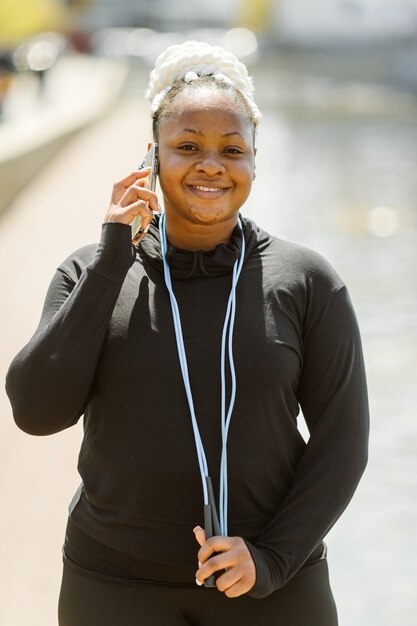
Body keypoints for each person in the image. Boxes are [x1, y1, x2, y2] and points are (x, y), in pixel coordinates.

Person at [5, 41, 369, 626]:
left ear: (254, 161)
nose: (211, 164)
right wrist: (111, 256)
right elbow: (36, 410)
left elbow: (344, 439)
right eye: (187, 147)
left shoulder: (307, 281)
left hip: (271, 586)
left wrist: (272, 558)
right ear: (152, 157)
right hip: (114, 583)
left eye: (232, 149)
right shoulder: (90, 271)